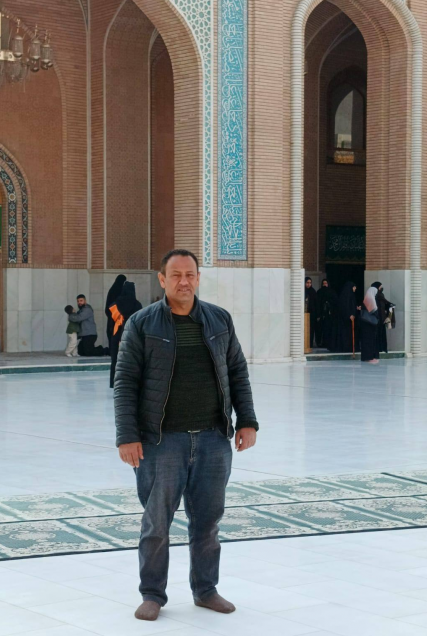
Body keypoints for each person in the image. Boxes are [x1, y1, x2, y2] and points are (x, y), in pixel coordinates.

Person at [114, 249, 259, 621]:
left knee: (208, 521)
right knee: (156, 523)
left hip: (213, 438)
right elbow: (125, 382)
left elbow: (237, 371)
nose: (184, 281)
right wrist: (127, 435)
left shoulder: (218, 319)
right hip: (161, 442)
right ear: (162, 279)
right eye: (176, 275)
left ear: (198, 278)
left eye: (190, 274)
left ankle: (206, 590)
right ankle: (152, 594)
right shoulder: (142, 323)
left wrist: (247, 420)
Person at [108, 281, 142, 388]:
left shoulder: (115, 304)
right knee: (131, 359)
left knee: (115, 359)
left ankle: (114, 382)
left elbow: (111, 320)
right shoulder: (137, 305)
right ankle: (129, 382)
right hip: (131, 334)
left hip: (117, 333)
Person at [371, 282, 396, 354]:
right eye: (380, 286)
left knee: (381, 333)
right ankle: (378, 348)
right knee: (378, 334)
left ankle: (382, 348)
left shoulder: (380, 295)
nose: (381, 288)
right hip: (377, 318)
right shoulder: (375, 295)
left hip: (382, 318)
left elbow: (385, 304)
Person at [335, 281, 358, 353]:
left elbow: (352, 305)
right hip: (345, 319)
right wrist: (349, 315)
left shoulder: (351, 295)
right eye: (354, 287)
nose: (355, 288)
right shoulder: (345, 296)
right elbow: (344, 307)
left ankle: (350, 347)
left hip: (350, 319)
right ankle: (346, 347)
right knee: (346, 333)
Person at [105, 274, 127, 346]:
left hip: (111, 317)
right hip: (118, 318)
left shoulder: (112, 290)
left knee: (111, 335)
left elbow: (108, 307)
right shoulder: (121, 291)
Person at [316, 279, 338, 349]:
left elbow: (335, 302)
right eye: (323, 283)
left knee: (328, 329)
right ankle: (320, 343)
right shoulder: (319, 292)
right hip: (321, 315)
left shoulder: (332, 292)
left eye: (326, 283)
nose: (325, 285)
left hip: (330, 315)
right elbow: (317, 303)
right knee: (320, 329)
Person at [360, 286, 379, 363]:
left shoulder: (366, 299)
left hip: (365, 323)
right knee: (369, 341)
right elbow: (374, 311)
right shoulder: (371, 299)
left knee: (365, 341)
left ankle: (365, 357)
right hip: (370, 324)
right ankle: (369, 357)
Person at [305, 277, 317, 348]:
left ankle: (310, 345)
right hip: (304, 314)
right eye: (307, 283)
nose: (308, 284)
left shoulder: (313, 292)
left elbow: (316, 304)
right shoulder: (303, 291)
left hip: (312, 315)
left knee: (311, 330)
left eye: (310, 283)